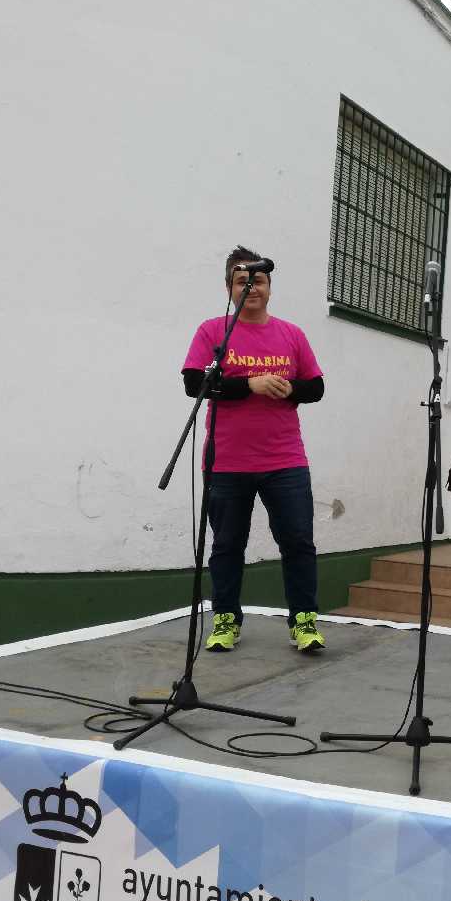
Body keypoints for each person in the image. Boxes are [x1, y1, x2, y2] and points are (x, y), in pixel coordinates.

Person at [181, 246, 327, 653]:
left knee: (298, 542)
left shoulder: (292, 334)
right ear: (229, 288)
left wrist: (287, 388)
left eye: (258, 280)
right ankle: (226, 620)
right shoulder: (213, 332)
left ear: (269, 287)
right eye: (242, 281)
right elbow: (194, 383)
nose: (251, 288)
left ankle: (304, 621)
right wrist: (249, 384)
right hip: (227, 462)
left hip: (285, 460)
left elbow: (316, 387)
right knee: (227, 545)